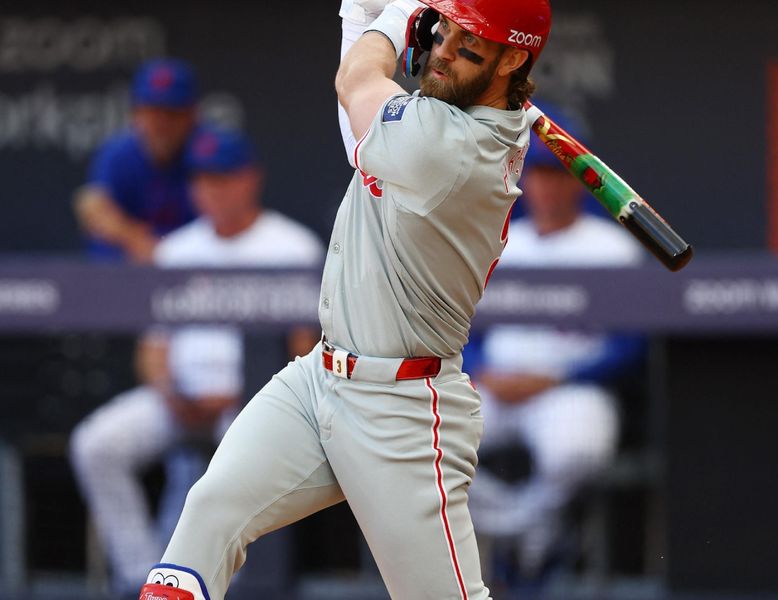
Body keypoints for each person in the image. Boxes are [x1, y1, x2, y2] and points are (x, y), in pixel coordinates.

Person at [138, 1, 551, 599]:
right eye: (444, 31)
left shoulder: (455, 149)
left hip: (404, 409)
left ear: (513, 58)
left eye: (469, 46)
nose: (440, 51)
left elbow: (357, 80)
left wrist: (395, 14)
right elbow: (360, 126)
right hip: (317, 382)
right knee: (208, 514)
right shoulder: (432, 124)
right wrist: (356, 17)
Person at [69, 127, 324, 596]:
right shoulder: (176, 250)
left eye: (224, 177)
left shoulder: (292, 246)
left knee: (245, 449)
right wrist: (169, 392)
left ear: (250, 179)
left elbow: (305, 355)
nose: (213, 189)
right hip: (180, 398)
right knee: (96, 443)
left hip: (255, 401)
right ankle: (143, 576)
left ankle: (228, 580)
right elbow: (153, 350)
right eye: (203, 179)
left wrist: (246, 397)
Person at [465, 106, 645, 580]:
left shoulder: (613, 248)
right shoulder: (498, 242)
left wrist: (556, 377)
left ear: (582, 181)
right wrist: (482, 369)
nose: (546, 186)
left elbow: (631, 348)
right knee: (420, 436)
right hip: (497, 387)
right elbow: (463, 330)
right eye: (539, 174)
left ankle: (524, 534)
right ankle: (531, 528)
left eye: (558, 174)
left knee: (578, 451)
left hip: (568, 388)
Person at [73, 58, 200, 262]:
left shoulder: (207, 152)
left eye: (172, 113)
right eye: (153, 112)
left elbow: (221, 232)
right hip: (123, 278)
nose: (162, 124)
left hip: (195, 278)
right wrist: (134, 238)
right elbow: (94, 211)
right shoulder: (117, 155)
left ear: (192, 114)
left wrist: (158, 252)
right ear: (136, 113)